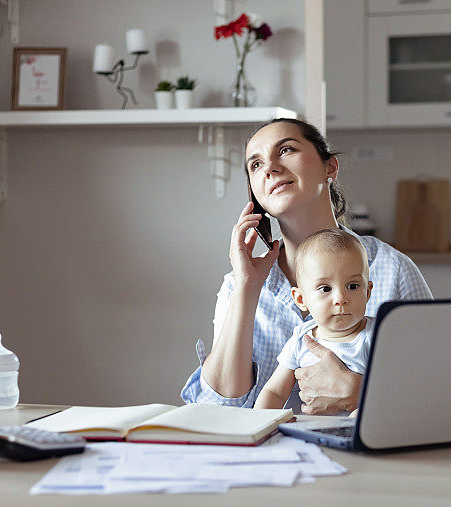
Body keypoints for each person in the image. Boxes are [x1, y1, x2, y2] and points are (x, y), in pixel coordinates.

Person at [181, 117, 432, 414]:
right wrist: (247, 290)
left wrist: (364, 394)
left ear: (330, 167)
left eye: (286, 150)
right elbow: (217, 409)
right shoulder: (238, 285)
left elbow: (435, 389)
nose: (270, 168)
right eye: (256, 165)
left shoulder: (393, 270)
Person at [254, 229, 374, 410]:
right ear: (301, 299)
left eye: (353, 286)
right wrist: (257, 426)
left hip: (358, 434)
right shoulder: (301, 338)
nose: (340, 298)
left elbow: (392, 392)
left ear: (368, 292)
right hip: (308, 433)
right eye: (325, 289)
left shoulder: (377, 336)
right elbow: (275, 392)